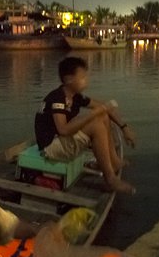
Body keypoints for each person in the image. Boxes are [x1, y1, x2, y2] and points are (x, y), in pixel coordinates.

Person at [34, 56, 135, 193]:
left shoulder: (75, 96)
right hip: (50, 147)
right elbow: (63, 130)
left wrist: (124, 127)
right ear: (69, 79)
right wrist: (93, 114)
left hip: (61, 139)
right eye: (82, 77)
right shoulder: (58, 98)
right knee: (96, 125)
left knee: (103, 116)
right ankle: (110, 180)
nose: (86, 80)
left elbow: (105, 107)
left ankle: (114, 161)